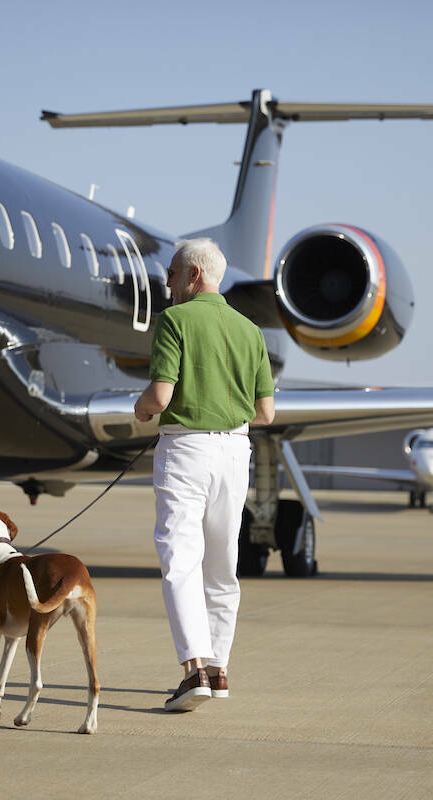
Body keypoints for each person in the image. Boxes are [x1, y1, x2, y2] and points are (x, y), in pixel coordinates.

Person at [134, 238, 275, 712]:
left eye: (172, 274)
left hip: (186, 451)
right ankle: (218, 668)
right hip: (236, 452)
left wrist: (140, 410)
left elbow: (158, 396)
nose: (167, 283)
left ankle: (192, 669)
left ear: (194, 275)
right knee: (221, 564)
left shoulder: (174, 320)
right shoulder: (250, 330)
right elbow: (267, 413)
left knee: (180, 560)